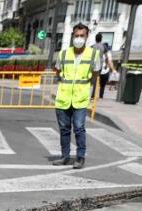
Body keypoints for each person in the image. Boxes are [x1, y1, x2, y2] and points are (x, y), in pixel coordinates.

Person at [51, 23, 97, 170]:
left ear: (87, 36)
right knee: (64, 129)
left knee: (79, 128)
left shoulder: (93, 54)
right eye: (76, 36)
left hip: (81, 98)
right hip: (64, 98)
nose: (79, 38)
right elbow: (58, 72)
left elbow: (95, 76)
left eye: (81, 36)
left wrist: (92, 95)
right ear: (72, 36)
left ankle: (80, 157)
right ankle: (65, 156)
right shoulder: (63, 54)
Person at [91, 33, 115, 99]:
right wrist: (107, 64)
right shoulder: (104, 46)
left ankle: (93, 94)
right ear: (101, 39)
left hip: (93, 64)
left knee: (93, 80)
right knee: (97, 80)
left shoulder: (92, 46)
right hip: (99, 65)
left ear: (95, 39)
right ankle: (94, 95)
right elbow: (107, 56)